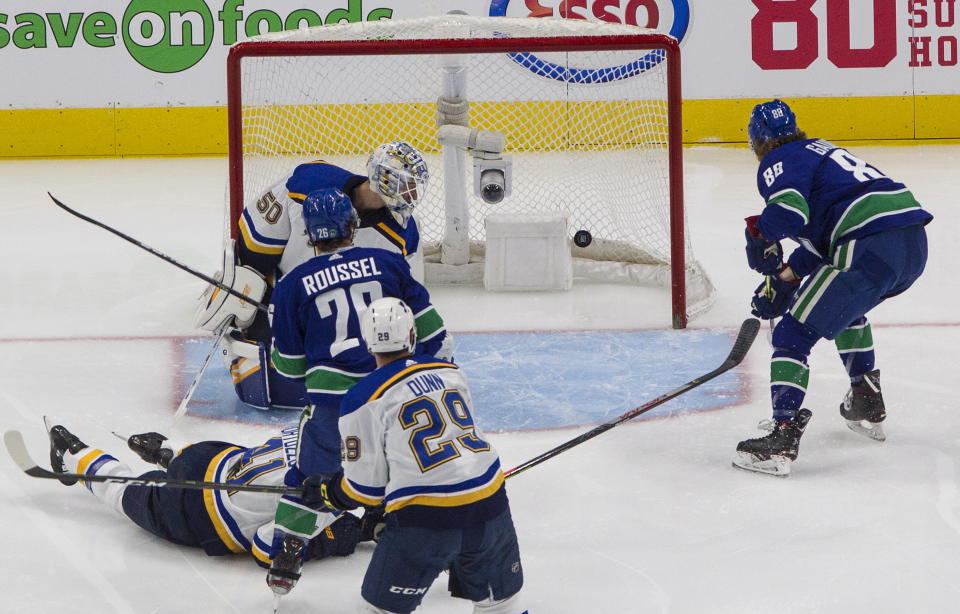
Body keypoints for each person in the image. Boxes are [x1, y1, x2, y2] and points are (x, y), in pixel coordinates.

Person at [272, 297, 526, 614]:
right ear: (411, 335)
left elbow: (366, 489)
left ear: (368, 343)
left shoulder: (362, 398)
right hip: (490, 500)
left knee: (379, 610)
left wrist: (328, 491)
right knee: (500, 605)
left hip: (427, 518)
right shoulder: (450, 372)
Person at [263, 190, 453, 596]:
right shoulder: (388, 262)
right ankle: (417, 535)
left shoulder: (292, 285)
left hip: (336, 408)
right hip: (395, 393)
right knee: (408, 467)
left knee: (311, 478)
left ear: (310, 236)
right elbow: (435, 335)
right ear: (353, 225)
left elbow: (289, 368)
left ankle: (288, 551)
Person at [733, 99, 933, 477]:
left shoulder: (777, 161)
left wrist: (760, 235)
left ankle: (782, 435)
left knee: (792, 333)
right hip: (909, 244)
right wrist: (785, 277)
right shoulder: (820, 151)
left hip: (867, 241)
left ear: (756, 140)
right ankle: (865, 397)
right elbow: (823, 243)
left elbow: (789, 213)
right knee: (846, 306)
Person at [194, 141, 430, 411]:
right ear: (384, 179)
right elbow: (254, 248)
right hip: (288, 293)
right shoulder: (309, 182)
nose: (412, 194)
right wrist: (271, 304)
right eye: (406, 184)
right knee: (249, 295)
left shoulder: (402, 233)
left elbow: (397, 302)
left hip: (348, 321)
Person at [43, 420, 363, 567]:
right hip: (199, 510)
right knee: (125, 492)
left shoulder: (323, 424)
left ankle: (167, 454)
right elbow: (267, 550)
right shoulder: (326, 493)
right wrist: (341, 536)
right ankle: (73, 452)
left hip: (210, 456)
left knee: (248, 466)